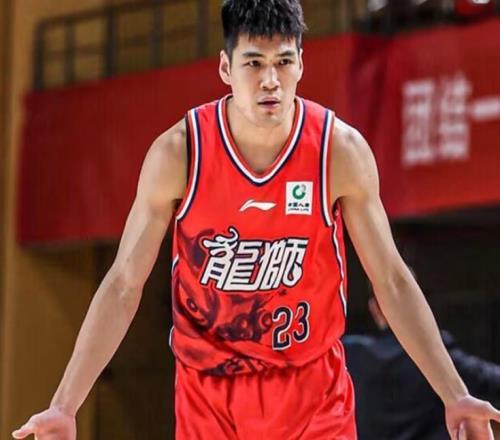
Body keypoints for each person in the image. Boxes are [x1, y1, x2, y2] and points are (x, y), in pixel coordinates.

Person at [12, 1, 500, 439]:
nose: (271, 80)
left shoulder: (338, 151)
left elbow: (391, 279)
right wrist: (65, 405)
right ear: (226, 67)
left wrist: (454, 394)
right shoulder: (179, 153)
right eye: (254, 63)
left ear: (301, 63)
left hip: (313, 391)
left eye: (283, 62)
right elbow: (123, 284)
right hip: (209, 394)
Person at [344, 295, 500, 440]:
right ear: (419, 302)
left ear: (374, 308)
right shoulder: (436, 354)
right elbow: (488, 378)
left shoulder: (351, 353)